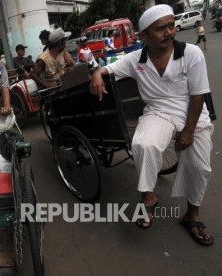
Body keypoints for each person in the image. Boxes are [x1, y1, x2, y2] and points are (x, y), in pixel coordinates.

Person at [89, 4, 214, 245]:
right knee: (143, 144)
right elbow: (108, 68)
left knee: (199, 166)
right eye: (161, 28)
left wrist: (188, 132)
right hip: (158, 113)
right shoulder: (136, 58)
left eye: (171, 25)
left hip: (193, 116)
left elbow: (198, 96)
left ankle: (192, 215)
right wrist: (96, 74)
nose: (169, 32)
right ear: (144, 36)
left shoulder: (191, 53)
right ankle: (148, 197)